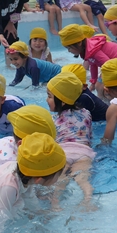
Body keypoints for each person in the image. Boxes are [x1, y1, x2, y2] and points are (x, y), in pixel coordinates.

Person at [47, 71, 96, 205]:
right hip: (84, 153)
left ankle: (55, 204)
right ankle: (88, 199)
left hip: (63, 153)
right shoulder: (87, 113)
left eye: (49, 96)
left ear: (62, 101)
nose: (47, 100)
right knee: (82, 178)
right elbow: (89, 136)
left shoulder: (53, 119)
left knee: (60, 179)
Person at [59, 23, 117, 97]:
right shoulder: (88, 49)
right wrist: (93, 82)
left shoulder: (94, 50)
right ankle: (103, 99)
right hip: (114, 63)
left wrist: (106, 82)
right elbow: (93, 65)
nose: (69, 51)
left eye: (69, 48)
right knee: (98, 86)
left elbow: (109, 64)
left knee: (102, 87)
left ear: (79, 43)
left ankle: (107, 100)